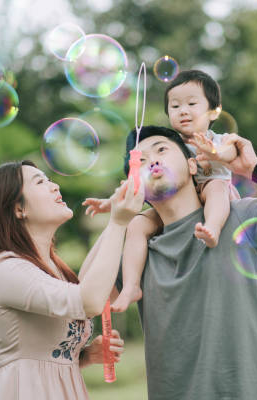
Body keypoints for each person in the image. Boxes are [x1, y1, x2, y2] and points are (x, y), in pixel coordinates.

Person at [93, 125, 257, 400]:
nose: (153, 161)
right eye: (140, 161)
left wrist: (253, 167)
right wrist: (119, 219)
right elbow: (87, 299)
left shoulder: (240, 218)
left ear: (191, 164)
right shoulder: (135, 255)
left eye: (162, 149)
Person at [0, 160, 144, 400]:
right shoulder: (5, 269)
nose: (55, 186)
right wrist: (117, 222)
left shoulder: (53, 270)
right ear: (19, 209)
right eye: (41, 182)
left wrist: (81, 356)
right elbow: (90, 300)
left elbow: (86, 290)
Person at [84, 70, 240, 312]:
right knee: (136, 225)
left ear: (213, 110)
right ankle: (131, 286)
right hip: (171, 202)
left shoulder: (217, 139)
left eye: (191, 103)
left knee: (217, 189)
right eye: (175, 106)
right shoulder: (168, 144)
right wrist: (110, 203)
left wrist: (215, 153)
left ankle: (213, 227)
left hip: (211, 186)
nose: (183, 110)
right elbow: (139, 176)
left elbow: (232, 154)